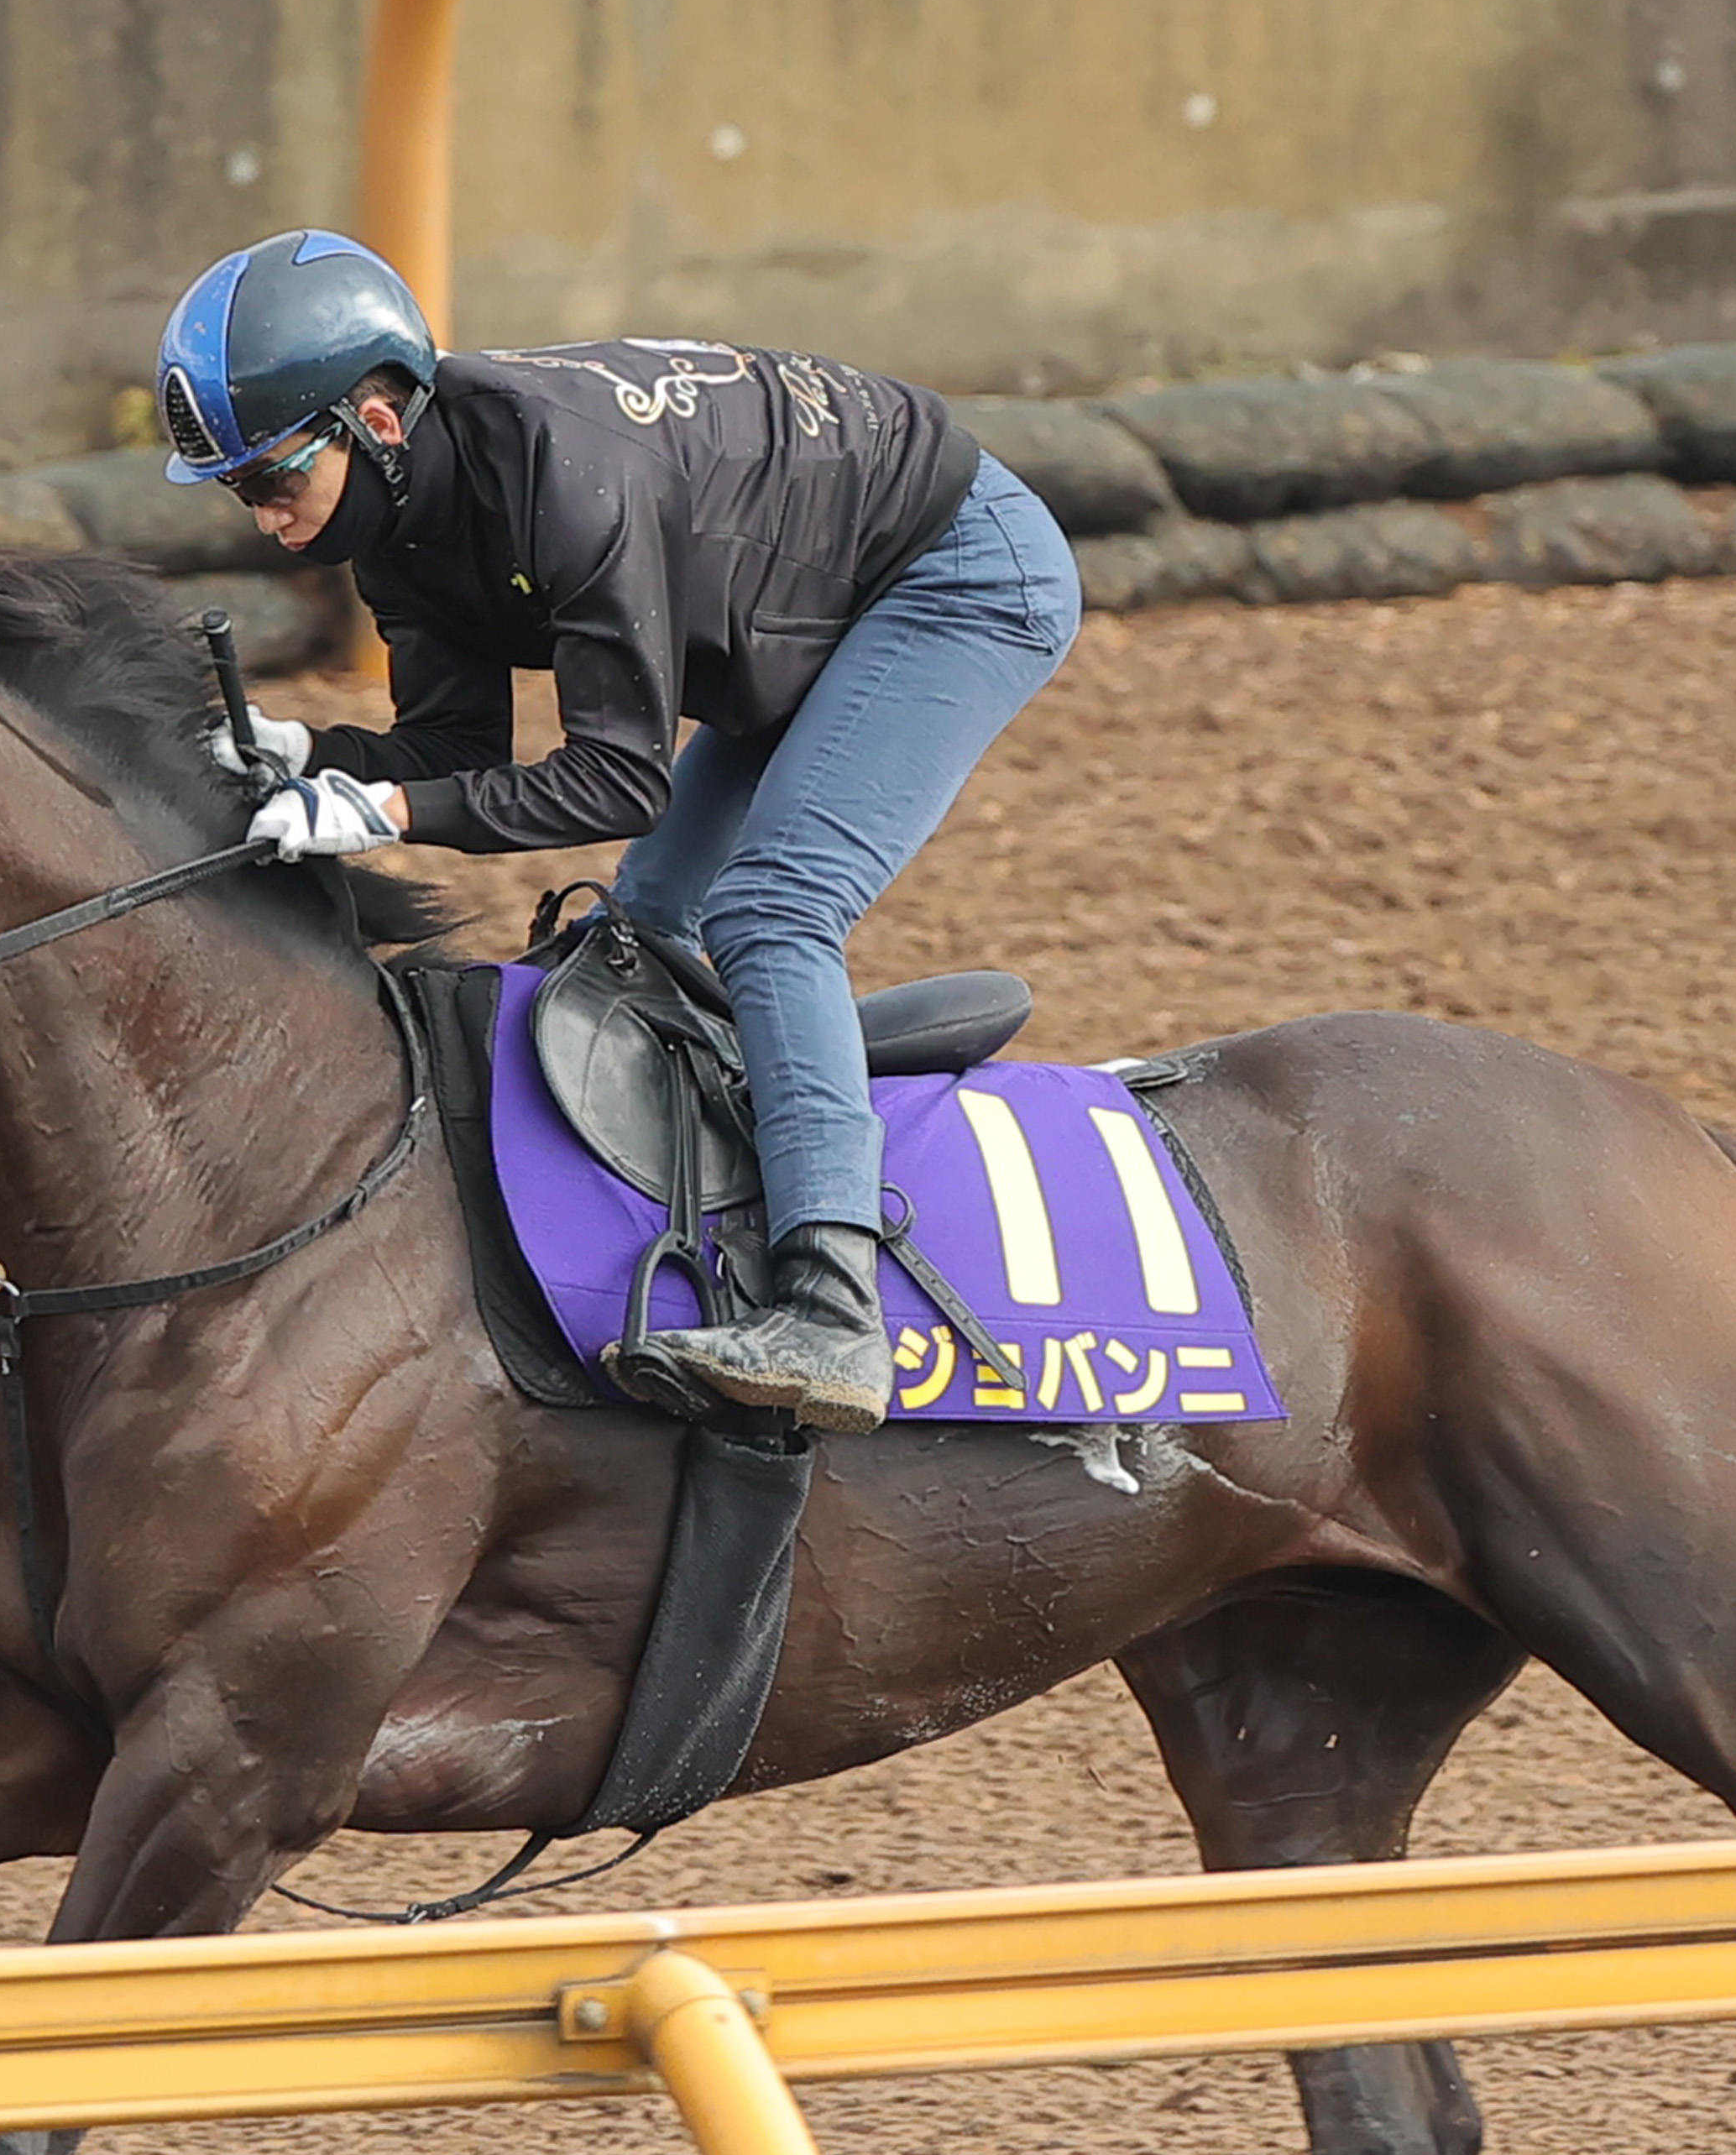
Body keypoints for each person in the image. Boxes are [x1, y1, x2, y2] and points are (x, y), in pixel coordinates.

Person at [152, 228, 1080, 1434]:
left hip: (949, 575)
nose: (261, 518)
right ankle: (712, 1214)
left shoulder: (566, 478)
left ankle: (833, 1311)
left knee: (771, 909)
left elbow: (616, 783)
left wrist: (378, 812)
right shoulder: (400, 523)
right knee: (642, 928)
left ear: (377, 423)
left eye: (272, 478)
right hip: (794, 608)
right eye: (236, 491)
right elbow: (457, 754)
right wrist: (314, 754)